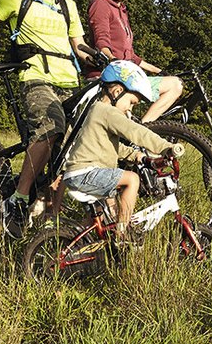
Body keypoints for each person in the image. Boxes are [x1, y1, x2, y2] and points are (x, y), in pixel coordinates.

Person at [0, 0, 96, 238]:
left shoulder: (69, 5)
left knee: (76, 145)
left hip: (69, 82)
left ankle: (48, 218)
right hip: (35, 78)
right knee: (52, 126)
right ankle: (18, 199)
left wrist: (102, 58)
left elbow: (78, 45)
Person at [62, 60, 184, 241]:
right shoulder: (107, 112)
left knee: (107, 218)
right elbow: (136, 132)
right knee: (132, 179)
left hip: (85, 173)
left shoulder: (98, 111)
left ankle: (78, 246)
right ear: (117, 92)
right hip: (85, 173)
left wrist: (139, 157)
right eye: (132, 102)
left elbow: (114, 148)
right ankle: (122, 233)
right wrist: (165, 147)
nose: (131, 108)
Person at [86, 0, 182, 122]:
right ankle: (140, 133)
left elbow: (131, 56)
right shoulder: (101, 4)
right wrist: (114, 61)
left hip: (126, 76)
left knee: (175, 84)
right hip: (107, 78)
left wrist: (158, 71)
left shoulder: (121, 10)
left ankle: (144, 128)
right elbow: (102, 41)